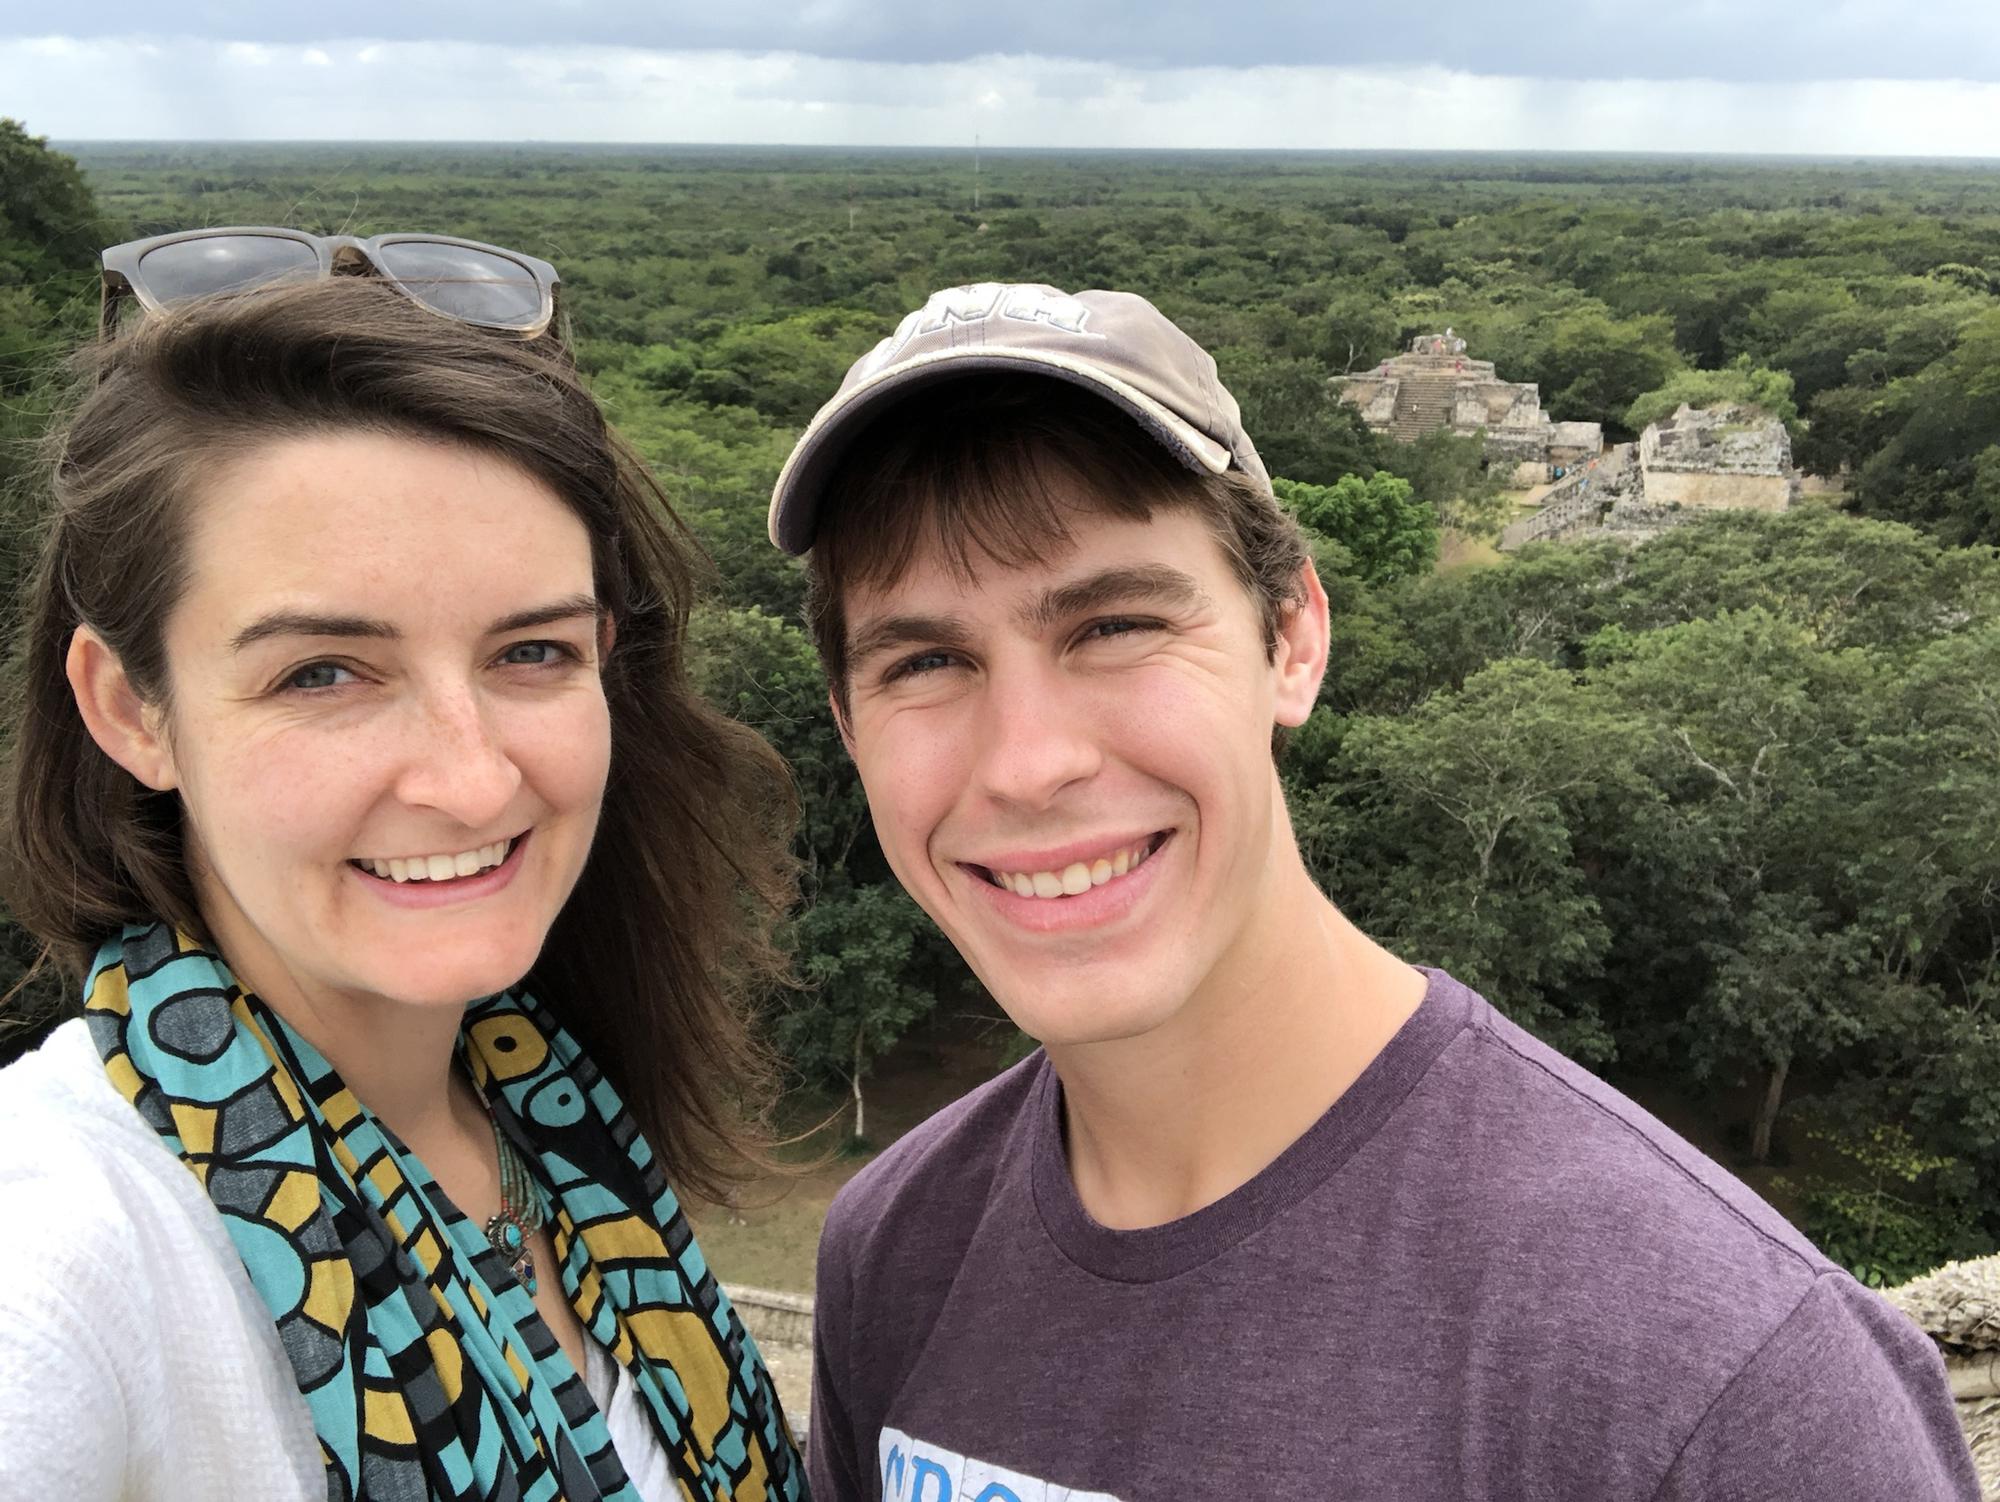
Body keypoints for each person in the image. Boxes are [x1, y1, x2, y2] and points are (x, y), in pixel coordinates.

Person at [764, 282, 1980, 1500]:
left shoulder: (1718, 1379)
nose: (1027, 762)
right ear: (849, 724)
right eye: (925, 660)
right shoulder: (898, 1251)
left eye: (1115, 625)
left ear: (1289, 638)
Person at [0, 230, 806, 1501]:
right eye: (324, 671)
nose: (473, 776)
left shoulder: (553, 1123)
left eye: (530, 652)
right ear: (132, 708)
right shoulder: (65, 1246)